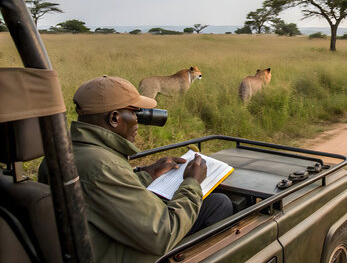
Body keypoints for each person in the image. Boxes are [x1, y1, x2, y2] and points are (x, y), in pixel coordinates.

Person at [38, 75, 232, 263]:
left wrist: (148, 173)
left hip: (93, 242)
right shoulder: (103, 165)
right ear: (114, 118)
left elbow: (98, 194)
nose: (139, 119)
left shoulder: (61, 155)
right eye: (135, 112)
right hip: (115, 253)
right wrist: (192, 182)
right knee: (219, 204)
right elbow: (164, 233)